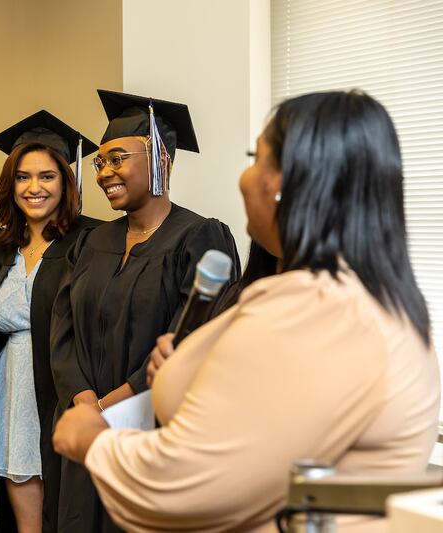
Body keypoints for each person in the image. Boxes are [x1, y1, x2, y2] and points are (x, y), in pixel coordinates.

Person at [52, 90, 440, 532]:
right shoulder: (356, 295)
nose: (245, 175)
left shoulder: (318, 313)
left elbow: (188, 483)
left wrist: (93, 441)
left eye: (257, 157)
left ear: (284, 183)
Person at [49, 90, 240, 533]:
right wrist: (83, 402)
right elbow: (63, 330)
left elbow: (193, 337)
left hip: (154, 429)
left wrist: (111, 406)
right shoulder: (90, 242)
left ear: (161, 161)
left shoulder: (200, 238)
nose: (105, 173)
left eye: (117, 159)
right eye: (100, 162)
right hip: (88, 426)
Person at [0, 110, 102, 533]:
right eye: (23, 177)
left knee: (71, 499)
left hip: (63, 382)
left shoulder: (90, 242)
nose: (34, 188)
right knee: (23, 489)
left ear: (66, 182)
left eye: (47, 176)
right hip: (11, 386)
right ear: (10, 187)